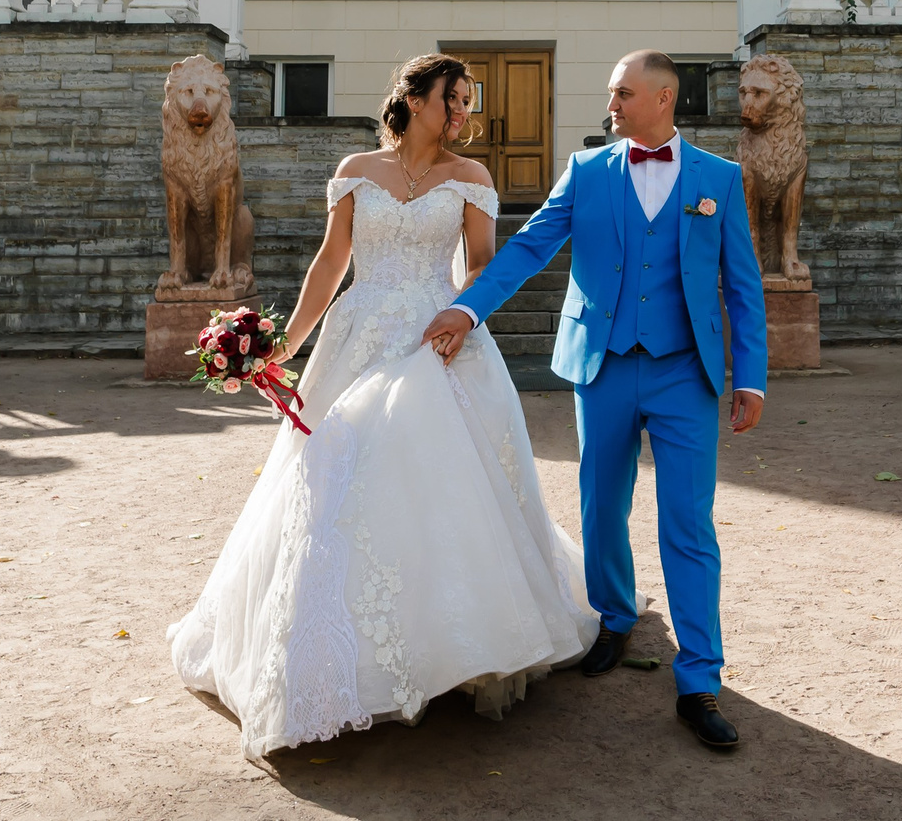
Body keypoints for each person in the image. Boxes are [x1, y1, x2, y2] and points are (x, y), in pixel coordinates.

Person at [169, 54, 596, 759]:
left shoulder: (473, 178)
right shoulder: (357, 169)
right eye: (452, 98)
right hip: (359, 335)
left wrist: (463, 314)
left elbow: (484, 263)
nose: (462, 111)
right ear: (415, 96)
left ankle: (455, 645)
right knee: (333, 478)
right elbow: (331, 263)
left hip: (438, 337)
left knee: (437, 478)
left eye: (467, 101)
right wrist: (283, 347)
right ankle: (334, 655)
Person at [423, 49, 768, 751]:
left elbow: (742, 282)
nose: (610, 106)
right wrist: (467, 309)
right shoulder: (586, 172)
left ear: (663, 98)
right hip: (602, 364)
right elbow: (526, 249)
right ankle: (613, 614)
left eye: (622, 94)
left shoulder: (719, 179)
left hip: (685, 373)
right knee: (600, 502)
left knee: (688, 521)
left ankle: (700, 677)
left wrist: (751, 375)